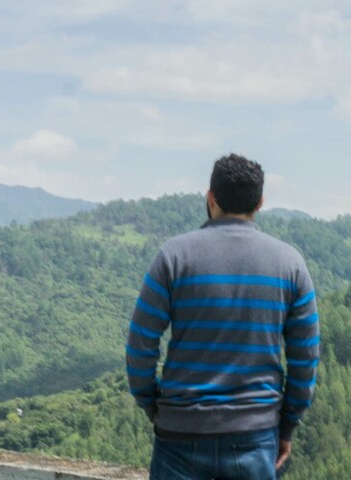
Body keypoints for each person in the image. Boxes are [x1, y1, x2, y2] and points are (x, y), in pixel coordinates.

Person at [126, 154, 321, 480]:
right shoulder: (290, 264)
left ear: (211, 198)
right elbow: (306, 358)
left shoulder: (173, 256)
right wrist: (287, 424)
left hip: (178, 438)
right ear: (259, 203)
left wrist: (153, 405)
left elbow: (140, 344)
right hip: (255, 438)